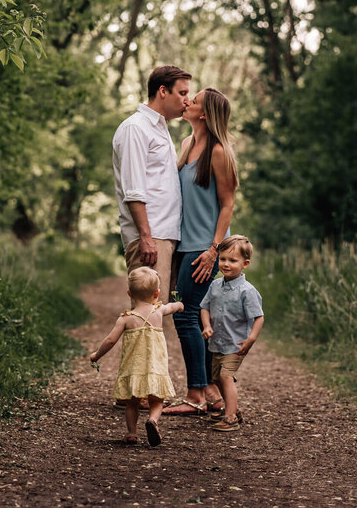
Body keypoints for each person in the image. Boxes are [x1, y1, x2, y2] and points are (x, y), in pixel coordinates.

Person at [163, 87, 238, 416]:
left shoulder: (219, 151)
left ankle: (197, 394)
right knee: (195, 317)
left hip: (205, 249)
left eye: (193, 100)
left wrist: (213, 251)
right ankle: (211, 393)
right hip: (184, 245)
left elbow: (228, 204)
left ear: (204, 114)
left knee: (186, 315)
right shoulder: (186, 144)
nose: (187, 101)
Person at [112, 65, 192, 305]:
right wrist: (146, 237)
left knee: (154, 321)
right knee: (146, 319)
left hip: (164, 236)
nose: (187, 101)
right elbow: (133, 189)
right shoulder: (136, 128)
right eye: (182, 93)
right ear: (163, 91)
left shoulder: (160, 128)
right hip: (151, 238)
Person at [90, 267, 184, 446]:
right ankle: (153, 421)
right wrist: (180, 305)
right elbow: (173, 306)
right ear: (157, 293)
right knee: (157, 400)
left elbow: (110, 340)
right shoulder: (158, 311)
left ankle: (132, 433)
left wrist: (96, 355)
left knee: (132, 403)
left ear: (129, 293)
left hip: (133, 368)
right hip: (155, 367)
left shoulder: (126, 319)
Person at [200, 235, 264, 432]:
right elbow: (205, 308)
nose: (226, 264)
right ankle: (233, 409)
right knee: (217, 378)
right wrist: (206, 326)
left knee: (226, 377)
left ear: (245, 264)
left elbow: (258, 317)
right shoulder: (215, 285)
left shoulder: (247, 291)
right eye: (223, 259)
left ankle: (230, 418)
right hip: (217, 343)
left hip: (235, 344)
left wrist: (251, 339)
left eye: (232, 260)